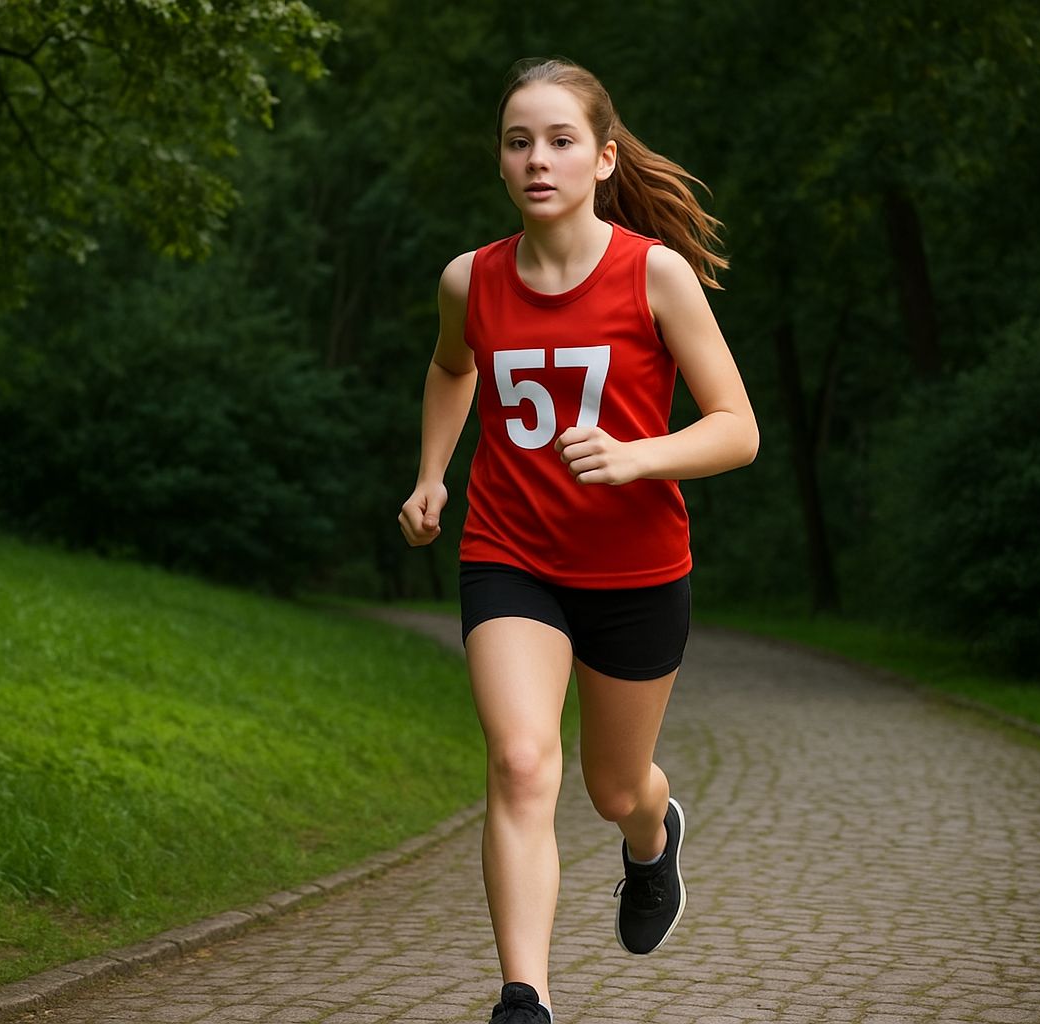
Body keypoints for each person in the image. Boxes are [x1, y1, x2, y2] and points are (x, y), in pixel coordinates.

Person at [396, 57, 760, 1024]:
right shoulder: (469, 279)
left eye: (560, 141)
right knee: (520, 762)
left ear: (602, 159)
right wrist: (433, 474)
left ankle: (653, 835)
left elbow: (737, 427)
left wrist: (638, 457)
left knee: (612, 788)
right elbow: (450, 370)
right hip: (510, 556)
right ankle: (526, 998)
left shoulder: (654, 274)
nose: (537, 158)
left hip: (637, 572)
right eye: (519, 141)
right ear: (502, 162)